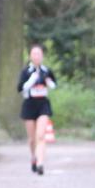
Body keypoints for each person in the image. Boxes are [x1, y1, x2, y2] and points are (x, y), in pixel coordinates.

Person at [17, 45, 57, 176]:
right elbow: (20, 88)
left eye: (39, 54)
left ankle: (40, 163)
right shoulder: (26, 72)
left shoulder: (47, 70)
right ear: (30, 56)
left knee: (41, 136)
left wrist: (48, 81)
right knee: (32, 139)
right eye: (34, 54)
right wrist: (32, 79)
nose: (36, 56)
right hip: (29, 104)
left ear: (42, 56)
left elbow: (54, 85)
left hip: (43, 105)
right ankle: (34, 157)